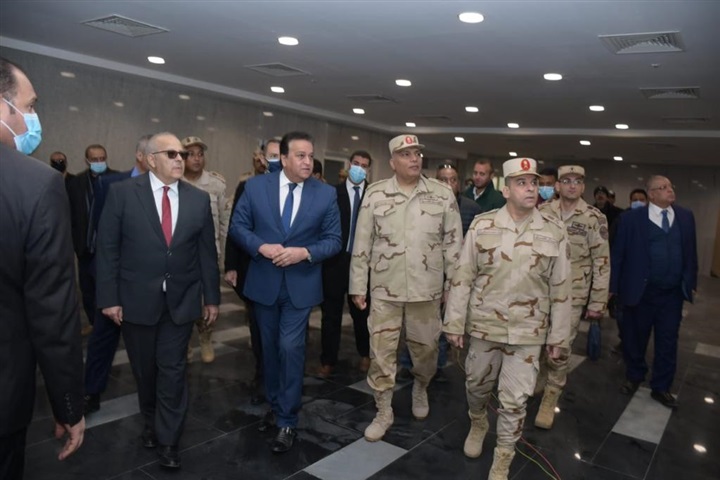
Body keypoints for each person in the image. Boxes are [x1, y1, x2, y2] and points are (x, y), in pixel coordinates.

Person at [96, 132, 220, 469]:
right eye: (172, 154)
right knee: (145, 370)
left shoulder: (198, 200)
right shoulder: (122, 194)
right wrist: (109, 298)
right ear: (151, 160)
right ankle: (150, 421)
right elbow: (107, 250)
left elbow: (206, 254)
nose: (181, 159)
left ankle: (169, 439)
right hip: (136, 300)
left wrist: (211, 297)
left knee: (173, 370)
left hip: (181, 301)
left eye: (182, 154)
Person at [443, 157, 571, 479]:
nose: (530, 188)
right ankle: (478, 421)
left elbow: (561, 288)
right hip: (485, 327)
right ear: (506, 189)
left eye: (534, 182)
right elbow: (463, 276)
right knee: (476, 386)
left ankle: (503, 457)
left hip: (529, 332)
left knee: (515, 401)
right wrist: (454, 322)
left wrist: (559, 336)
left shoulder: (554, 230)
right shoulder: (482, 225)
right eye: (521, 183)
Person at [229, 131, 341, 454]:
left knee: (290, 347)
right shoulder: (255, 187)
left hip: (300, 286)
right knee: (268, 349)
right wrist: (261, 247)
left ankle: (288, 419)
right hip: (263, 283)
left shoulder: (325, 194)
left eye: (311, 156)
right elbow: (238, 227)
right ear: (284, 158)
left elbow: (334, 240)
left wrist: (304, 252)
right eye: (301, 156)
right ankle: (276, 405)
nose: (308, 162)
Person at [0, 55, 85, 479]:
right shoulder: (35, 184)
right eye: (29, 105)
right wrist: (68, 404)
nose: (33, 117)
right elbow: (52, 311)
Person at [349, 134, 462, 443]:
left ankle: (421, 386)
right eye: (406, 154)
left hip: (426, 292)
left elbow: (454, 246)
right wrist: (358, 286)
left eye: (417, 153)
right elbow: (362, 242)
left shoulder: (441, 195)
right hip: (385, 290)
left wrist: (453, 288)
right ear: (392, 162)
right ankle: (383, 409)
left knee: (426, 351)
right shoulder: (375, 194)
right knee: (381, 353)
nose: (414, 159)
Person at [610, 175, 697, 409]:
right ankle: (634, 375)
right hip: (641, 293)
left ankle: (661, 386)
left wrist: (691, 281)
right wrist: (612, 288)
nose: (670, 190)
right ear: (651, 194)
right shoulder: (630, 219)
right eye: (663, 187)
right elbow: (618, 255)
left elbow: (691, 252)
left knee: (668, 341)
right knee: (635, 339)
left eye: (670, 186)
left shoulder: (685, 216)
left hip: (672, 295)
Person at [534, 165, 610, 429]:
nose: (572, 185)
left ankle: (550, 397)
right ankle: (541, 377)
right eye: (566, 181)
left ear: (583, 186)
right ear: (557, 185)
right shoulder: (543, 212)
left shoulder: (594, 218)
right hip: (542, 291)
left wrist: (598, 301)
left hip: (573, 295)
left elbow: (602, 261)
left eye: (577, 181)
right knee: (539, 342)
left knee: (560, 349)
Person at [82, 134, 152, 415]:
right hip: (113, 277)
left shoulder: (167, 189)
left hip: (146, 282)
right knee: (102, 338)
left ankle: (152, 401)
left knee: (147, 346)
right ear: (141, 156)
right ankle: (91, 391)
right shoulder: (110, 184)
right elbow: (100, 234)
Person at [398, 162, 480, 382]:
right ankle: (409, 363)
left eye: (453, 179)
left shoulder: (471, 208)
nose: (448, 184)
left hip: (457, 274)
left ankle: (438, 365)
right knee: (417, 324)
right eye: (443, 179)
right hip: (427, 274)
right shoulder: (426, 203)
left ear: (459, 183)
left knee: (446, 323)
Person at [224, 138, 281, 405]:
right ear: (261, 158)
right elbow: (236, 228)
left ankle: (285, 374)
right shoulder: (248, 187)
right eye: (271, 155)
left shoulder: (305, 189)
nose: (275, 160)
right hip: (256, 268)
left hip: (290, 272)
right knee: (259, 327)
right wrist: (231, 265)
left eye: (280, 155)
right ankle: (263, 372)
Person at [319, 150, 373, 378]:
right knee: (330, 314)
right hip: (335, 262)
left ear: (368, 170)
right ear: (350, 165)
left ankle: (365, 354)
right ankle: (328, 360)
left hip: (362, 263)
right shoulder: (333, 193)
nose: (359, 168)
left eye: (364, 165)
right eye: (356, 163)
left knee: (361, 313)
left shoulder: (373, 195)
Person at [181, 136, 228, 363]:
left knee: (207, 298)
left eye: (200, 154)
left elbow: (224, 222)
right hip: (181, 254)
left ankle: (206, 336)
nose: (197, 159)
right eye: (191, 154)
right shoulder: (174, 181)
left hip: (208, 254)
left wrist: (224, 255)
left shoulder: (216, 184)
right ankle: (184, 342)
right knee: (182, 299)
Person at [65, 143, 118, 334]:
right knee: (87, 288)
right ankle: (93, 323)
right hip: (86, 247)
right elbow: (70, 215)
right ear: (87, 160)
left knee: (110, 288)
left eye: (102, 158)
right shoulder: (76, 183)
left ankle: (114, 323)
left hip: (110, 248)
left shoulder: (117, 180)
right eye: (94, 159)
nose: (99, 162)